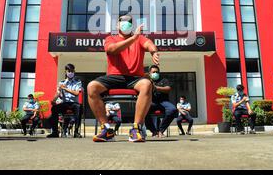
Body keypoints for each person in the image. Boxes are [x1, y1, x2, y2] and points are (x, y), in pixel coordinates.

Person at [87, 14, 159, 142]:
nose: (126, 23)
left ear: (132, 25)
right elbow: (112, 50)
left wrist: (153, 51)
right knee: (92, 87)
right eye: (123, 21)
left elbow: (149, 44)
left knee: (147, 84)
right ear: (117, 25)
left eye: (129, 21)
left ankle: (136, 128)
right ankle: (107, 129)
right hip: (114, 77)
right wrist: (133, 39)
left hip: (134, 78)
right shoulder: (111, 38)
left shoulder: (139, 38)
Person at [47, 64, 82, 138]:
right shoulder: (61, 82)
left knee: (79, 107)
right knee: (54, 108)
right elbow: (58, 93)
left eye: (72, 71)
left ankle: (76, 132)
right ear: (65, 72)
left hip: (74, 103)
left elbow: (76, 93)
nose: (70, 73)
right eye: (69, 71)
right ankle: (55, 132)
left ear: (74, 71)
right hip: (64, 103)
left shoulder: (77, 82)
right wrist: (54, 100)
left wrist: (65, 88)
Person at [145, 65, 177, 138]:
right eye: (153, 72)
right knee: (143, 111)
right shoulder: (147, 81)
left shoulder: (164, 80)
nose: (155, 73)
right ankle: (154, 131)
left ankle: (161, 130)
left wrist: (156, 88)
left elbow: (168, 89)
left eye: (157, 72)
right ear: (149, 73)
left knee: (172, 109)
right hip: (152, 102)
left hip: (163, 102)